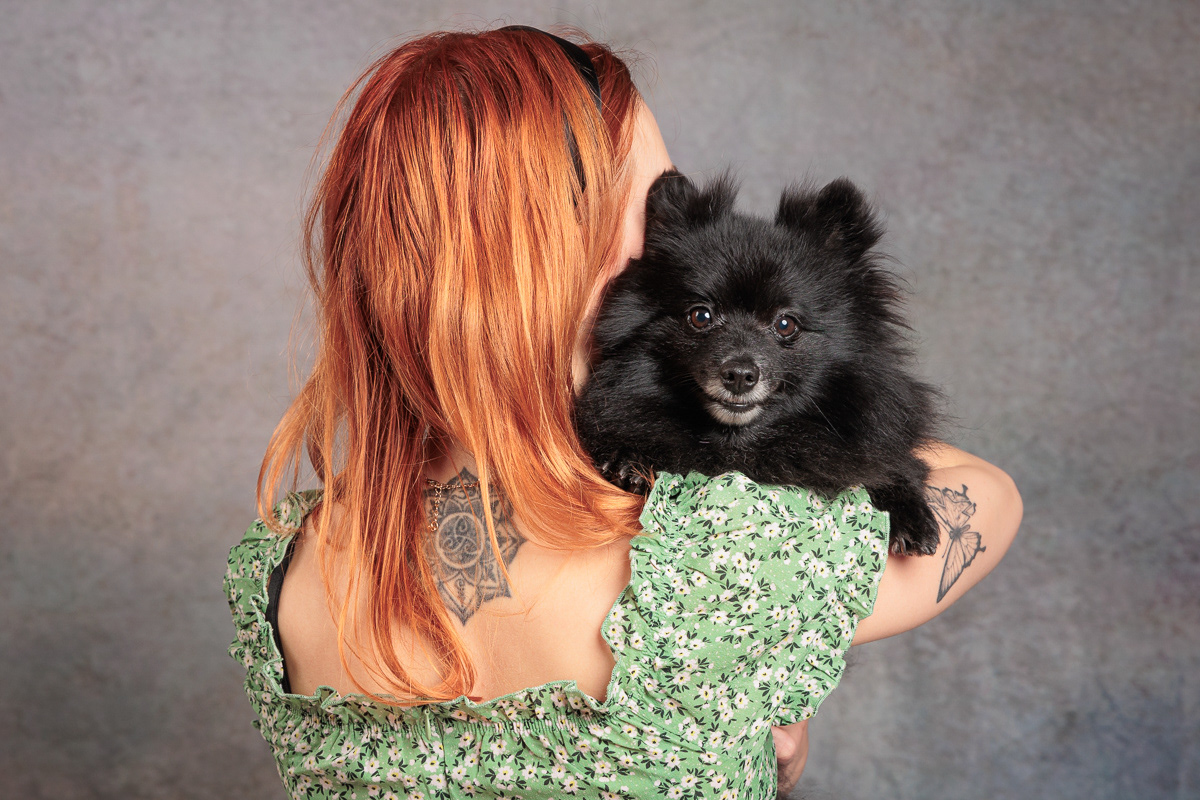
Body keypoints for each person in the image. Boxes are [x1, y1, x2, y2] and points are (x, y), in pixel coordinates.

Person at [223, 26, 1022, 799]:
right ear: (569, 250)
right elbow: (990, 496)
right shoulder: (728, 560)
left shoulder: (287, 570)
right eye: (656, 195)